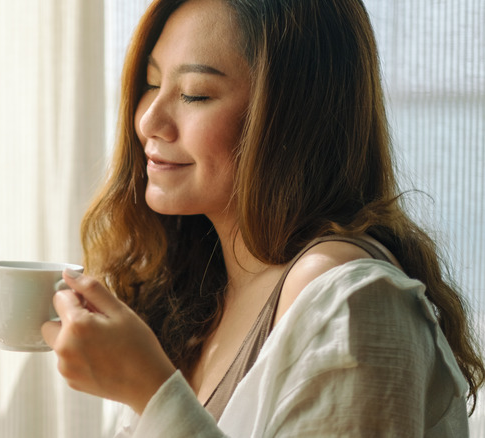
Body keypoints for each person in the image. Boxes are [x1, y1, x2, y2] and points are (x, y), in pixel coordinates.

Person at [41, 0, 485, 436]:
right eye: (153, 83)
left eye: (194, 93)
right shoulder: (199, 296)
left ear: (294, 116)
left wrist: (151, 392)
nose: (149, 121)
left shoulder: (352, 303)